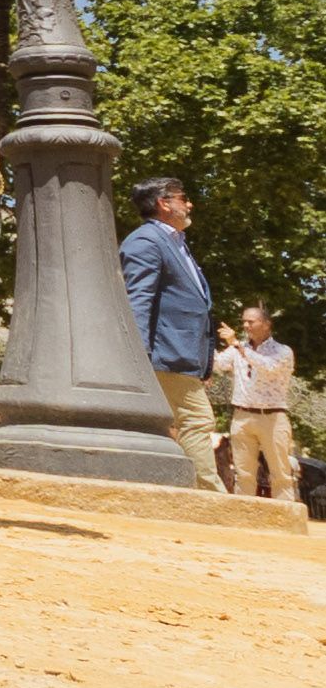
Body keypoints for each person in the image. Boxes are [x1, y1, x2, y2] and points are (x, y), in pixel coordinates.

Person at [120, 175, 221, 490]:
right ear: (164, 203)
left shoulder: (175, 242)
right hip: (167, 354)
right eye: (183, 197)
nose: (190, 204)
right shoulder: (147, 241)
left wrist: (204, 361)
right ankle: (209, 496)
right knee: (197, 421)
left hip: (182, 355)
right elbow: (138, 299)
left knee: (176, 426)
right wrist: (139, 353)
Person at [215, 303, 298, 501]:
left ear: (267, 324)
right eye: (244, 321)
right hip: (242, 417)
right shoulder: (238, 348)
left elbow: (268, 367)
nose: (246, 326)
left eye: (251, 322)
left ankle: (285, 516)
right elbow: (218, 364)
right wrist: (204, 340)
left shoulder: (282, 351)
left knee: (280, 475)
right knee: (243, 475)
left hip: (272, 418)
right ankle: (243, 515)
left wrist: (237, 345)